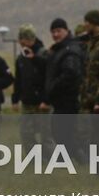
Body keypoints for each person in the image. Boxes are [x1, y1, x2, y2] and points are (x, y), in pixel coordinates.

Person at [41, 18, 85, 155]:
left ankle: (78, 161)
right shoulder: (59, 50)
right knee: (60, 133)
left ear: (66, 31)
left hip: (68, 100)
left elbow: (70, 74)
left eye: (58, 31)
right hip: (59, 101)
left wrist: (53, 87)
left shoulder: (70, 50)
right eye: (53, 32)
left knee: (67, 135)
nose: (55, 34)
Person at [11, 25, 48, 148]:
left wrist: (46, 99)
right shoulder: (21, 58)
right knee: (26, 133)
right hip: (27, 102)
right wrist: (15, 99)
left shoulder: (44, 54)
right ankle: (34, 157)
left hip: (42, 102)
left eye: (24, 39)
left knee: (46, 134)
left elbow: (49, 77)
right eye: (20, 39)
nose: (22, 43)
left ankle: (52, 158)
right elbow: (18, 79)